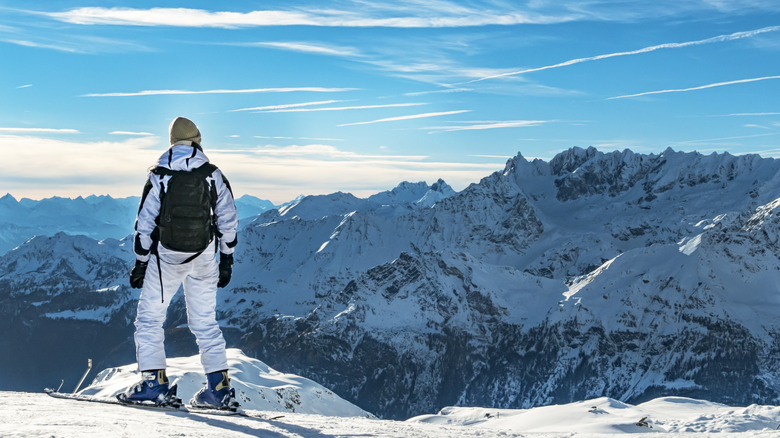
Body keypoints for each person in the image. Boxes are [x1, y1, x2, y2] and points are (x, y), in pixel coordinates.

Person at [123, 117, 239, 409]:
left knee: (150, 319)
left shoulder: (160, 175)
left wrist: (140, 262)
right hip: (204, 256)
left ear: (172, 142)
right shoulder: (212, 174)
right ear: (198, 141)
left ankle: (154, 385)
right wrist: (226, 258)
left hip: (167, 258)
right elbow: (228, 218)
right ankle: (219, 389)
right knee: (205, 322)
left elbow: (144, 222)